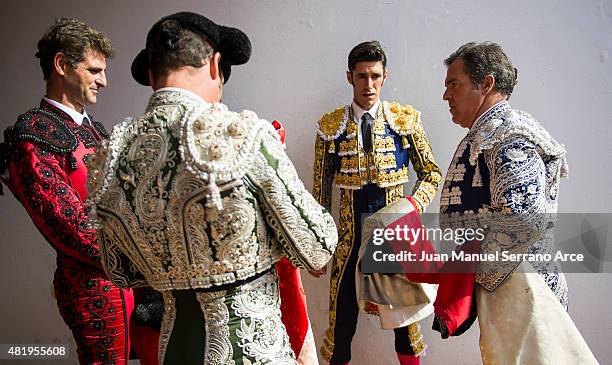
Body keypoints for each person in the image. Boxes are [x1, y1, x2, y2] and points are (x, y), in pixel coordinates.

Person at [85, 12, 338, 364]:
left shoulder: (110, 157)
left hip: (174, 348)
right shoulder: (241, 136)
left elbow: (121, 272)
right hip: (251, 348)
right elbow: (317, 246)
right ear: (216, 65)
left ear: (150, 76)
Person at [0, 18, 154, 365]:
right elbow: (69, 225)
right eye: (94, 70)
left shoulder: (94, 130)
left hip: (130, 281)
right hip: (92, 286)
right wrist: (145, 257)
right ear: (61, 65)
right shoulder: (35, 133)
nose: (104, 80)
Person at [440, 41, 597, 364]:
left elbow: (522, 220)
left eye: (453, 84)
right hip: (512, 289)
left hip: (527, 291)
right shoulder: (492, 133)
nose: (446, 95)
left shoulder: (510, 136)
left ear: (486, 84)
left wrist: (469, 267)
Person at [312, 40, 442, 365]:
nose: (368, 85)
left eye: (374, 76)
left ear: (385, 76)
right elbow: (319, 195)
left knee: (406, 329)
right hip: (349, 242)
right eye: (361, 77)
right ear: (349, 77)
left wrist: (412, 208)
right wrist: (317, 248)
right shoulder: (331, 128)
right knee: (341, 327)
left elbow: (431, 173)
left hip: (394, 238)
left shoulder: (405, 121)